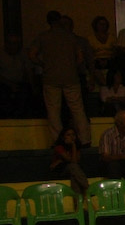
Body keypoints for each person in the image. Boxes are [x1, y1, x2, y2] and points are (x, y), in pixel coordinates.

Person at [27, 10, 92, 146]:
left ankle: (57, 140)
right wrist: (71, 66)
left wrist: (43, 64)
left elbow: (32, 55)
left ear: (48, 21)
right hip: (71, 77)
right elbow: (80, 58)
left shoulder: (43, 37)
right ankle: (85, 139)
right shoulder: (71, 37)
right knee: (77, 110)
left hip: (51, 77)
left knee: (53, 111)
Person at [50, 127, 89, 197]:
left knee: (74, 177)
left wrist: (74, 146)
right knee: (73, 167)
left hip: (71, 170)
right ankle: (88, 188)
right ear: (63, 137)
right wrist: (73, 145)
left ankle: (78, 201)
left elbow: (75, 160)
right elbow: (72, 161)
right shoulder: (59, 147)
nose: (71, 137)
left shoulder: (77, 148)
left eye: (73, 134)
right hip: (60, 170)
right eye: (68, 135)